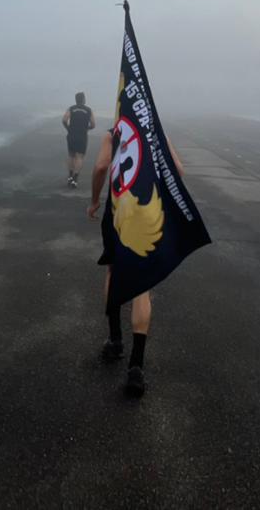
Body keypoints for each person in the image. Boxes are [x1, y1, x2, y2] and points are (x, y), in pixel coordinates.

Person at [87, 127, 184, 398]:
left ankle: (115, 340)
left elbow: (101, 166)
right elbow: (178, 169)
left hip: (119, 211)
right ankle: (136, 367)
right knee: (143, 284)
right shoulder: (157, 132)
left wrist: (94, 201)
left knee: (113, 270)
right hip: (149, 212)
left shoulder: (113, 133)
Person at [61, 92, 95, 188]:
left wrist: (68, 128)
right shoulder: (88, 110)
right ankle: (75, 179)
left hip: (72, 134)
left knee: (71, 155)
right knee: (79, 156)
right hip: (82, 135)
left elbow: (64, 120)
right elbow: (93, 124)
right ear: (83, 99)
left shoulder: (71, 108)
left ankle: (70, 176)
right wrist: (87, 128)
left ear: (76, 100)